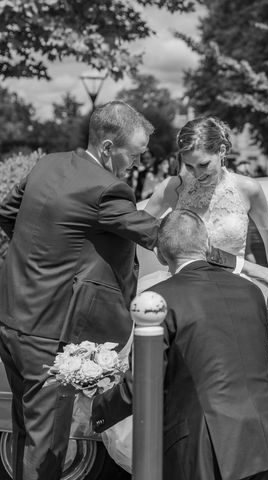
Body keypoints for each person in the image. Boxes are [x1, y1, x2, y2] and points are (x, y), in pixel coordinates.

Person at [0, 101, 162, 480]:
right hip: (51, 330)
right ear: (107, 148)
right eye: (134, 155)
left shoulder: (47, 164)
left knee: (26, 431)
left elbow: (7, 212)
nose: (137, 163)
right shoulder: (108, 189)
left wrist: (41, 261)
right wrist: (237, 263)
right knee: (48, 446)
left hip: (10, 317)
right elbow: (161, 238)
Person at [91, 209, 268, 480]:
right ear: (207, 246)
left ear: (159, 254)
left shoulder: (157, 299)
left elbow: (141, 386)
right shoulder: (249, 290)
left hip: (209, 445)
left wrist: (97, 407)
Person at [145, 116, 268, 273]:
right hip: (186, 288)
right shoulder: (173, 188)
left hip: (233, 288)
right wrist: (161, 246)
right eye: (189, 166)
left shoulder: (248, 188)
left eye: (203, 165)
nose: (197, 174)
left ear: (222, 151)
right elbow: (137, 227)